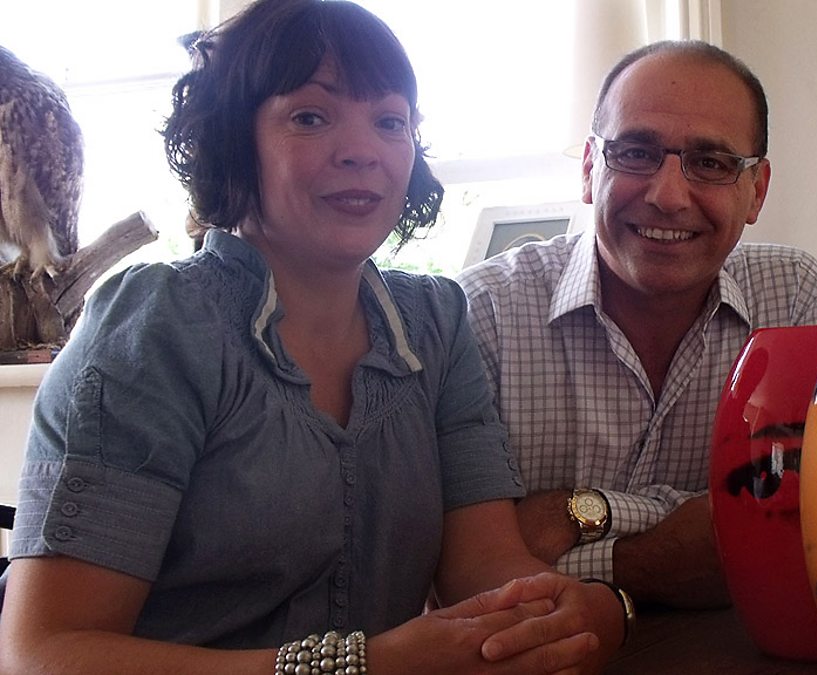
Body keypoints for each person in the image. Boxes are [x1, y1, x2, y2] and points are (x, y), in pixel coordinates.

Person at [0, 1, 628, 673]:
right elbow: (43, 653)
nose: (363, 150)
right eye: (310, 116)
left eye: (390, 121)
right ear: (234, 141)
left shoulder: (435, 321)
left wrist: (566, 612)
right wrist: (366, 665)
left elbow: (485, 566)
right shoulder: (156, 325)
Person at [456, 40, 817, 609]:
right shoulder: (482, 314)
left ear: (756, 191)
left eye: (711, 163)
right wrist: (687, 536)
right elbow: (468, 578)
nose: (668, 195)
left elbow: (792, 521)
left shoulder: (794, 297)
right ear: (590, 169)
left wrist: (578, 514)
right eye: (635, 153)